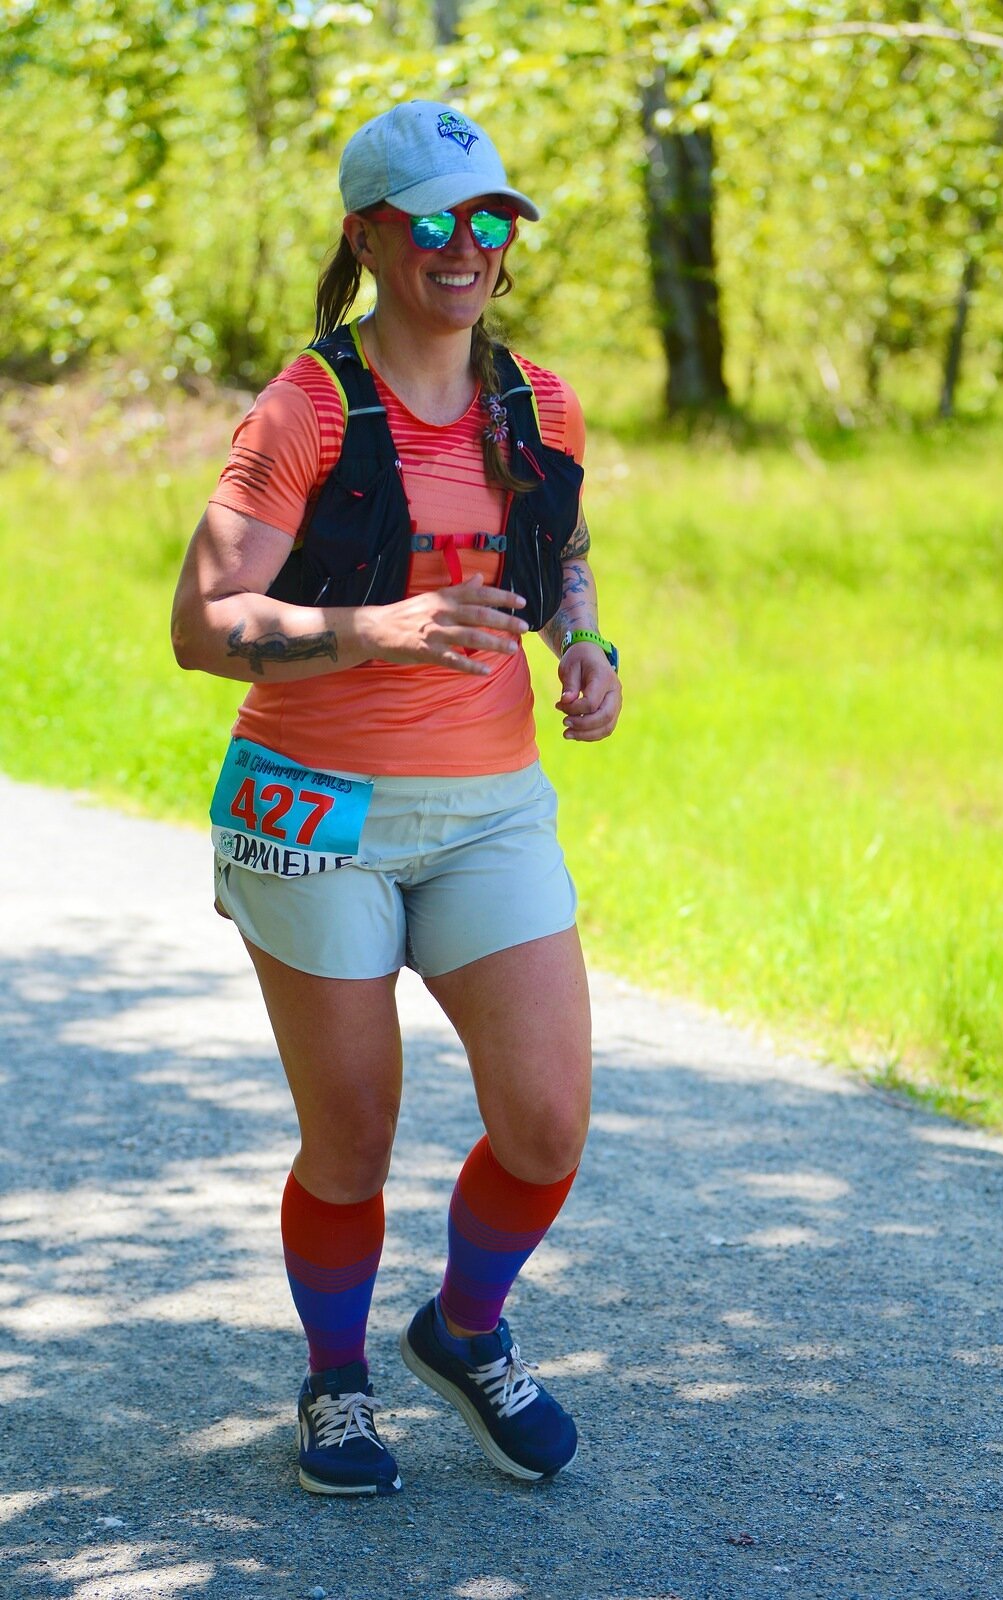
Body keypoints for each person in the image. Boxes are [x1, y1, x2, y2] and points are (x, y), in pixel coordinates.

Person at [171, 99, 621, 1497]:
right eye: (432, 220)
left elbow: (563, 545)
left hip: (489, 807)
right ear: (367, 236)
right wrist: (377, 629)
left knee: (546, 1124)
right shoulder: (303, 410)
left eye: (489, 218)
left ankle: (464, 1329)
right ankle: (336, 1378)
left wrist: (587, 643)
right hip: (314, 810)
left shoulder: (539, 402)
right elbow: (202, 625)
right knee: (354, 1136)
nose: (465, 245)